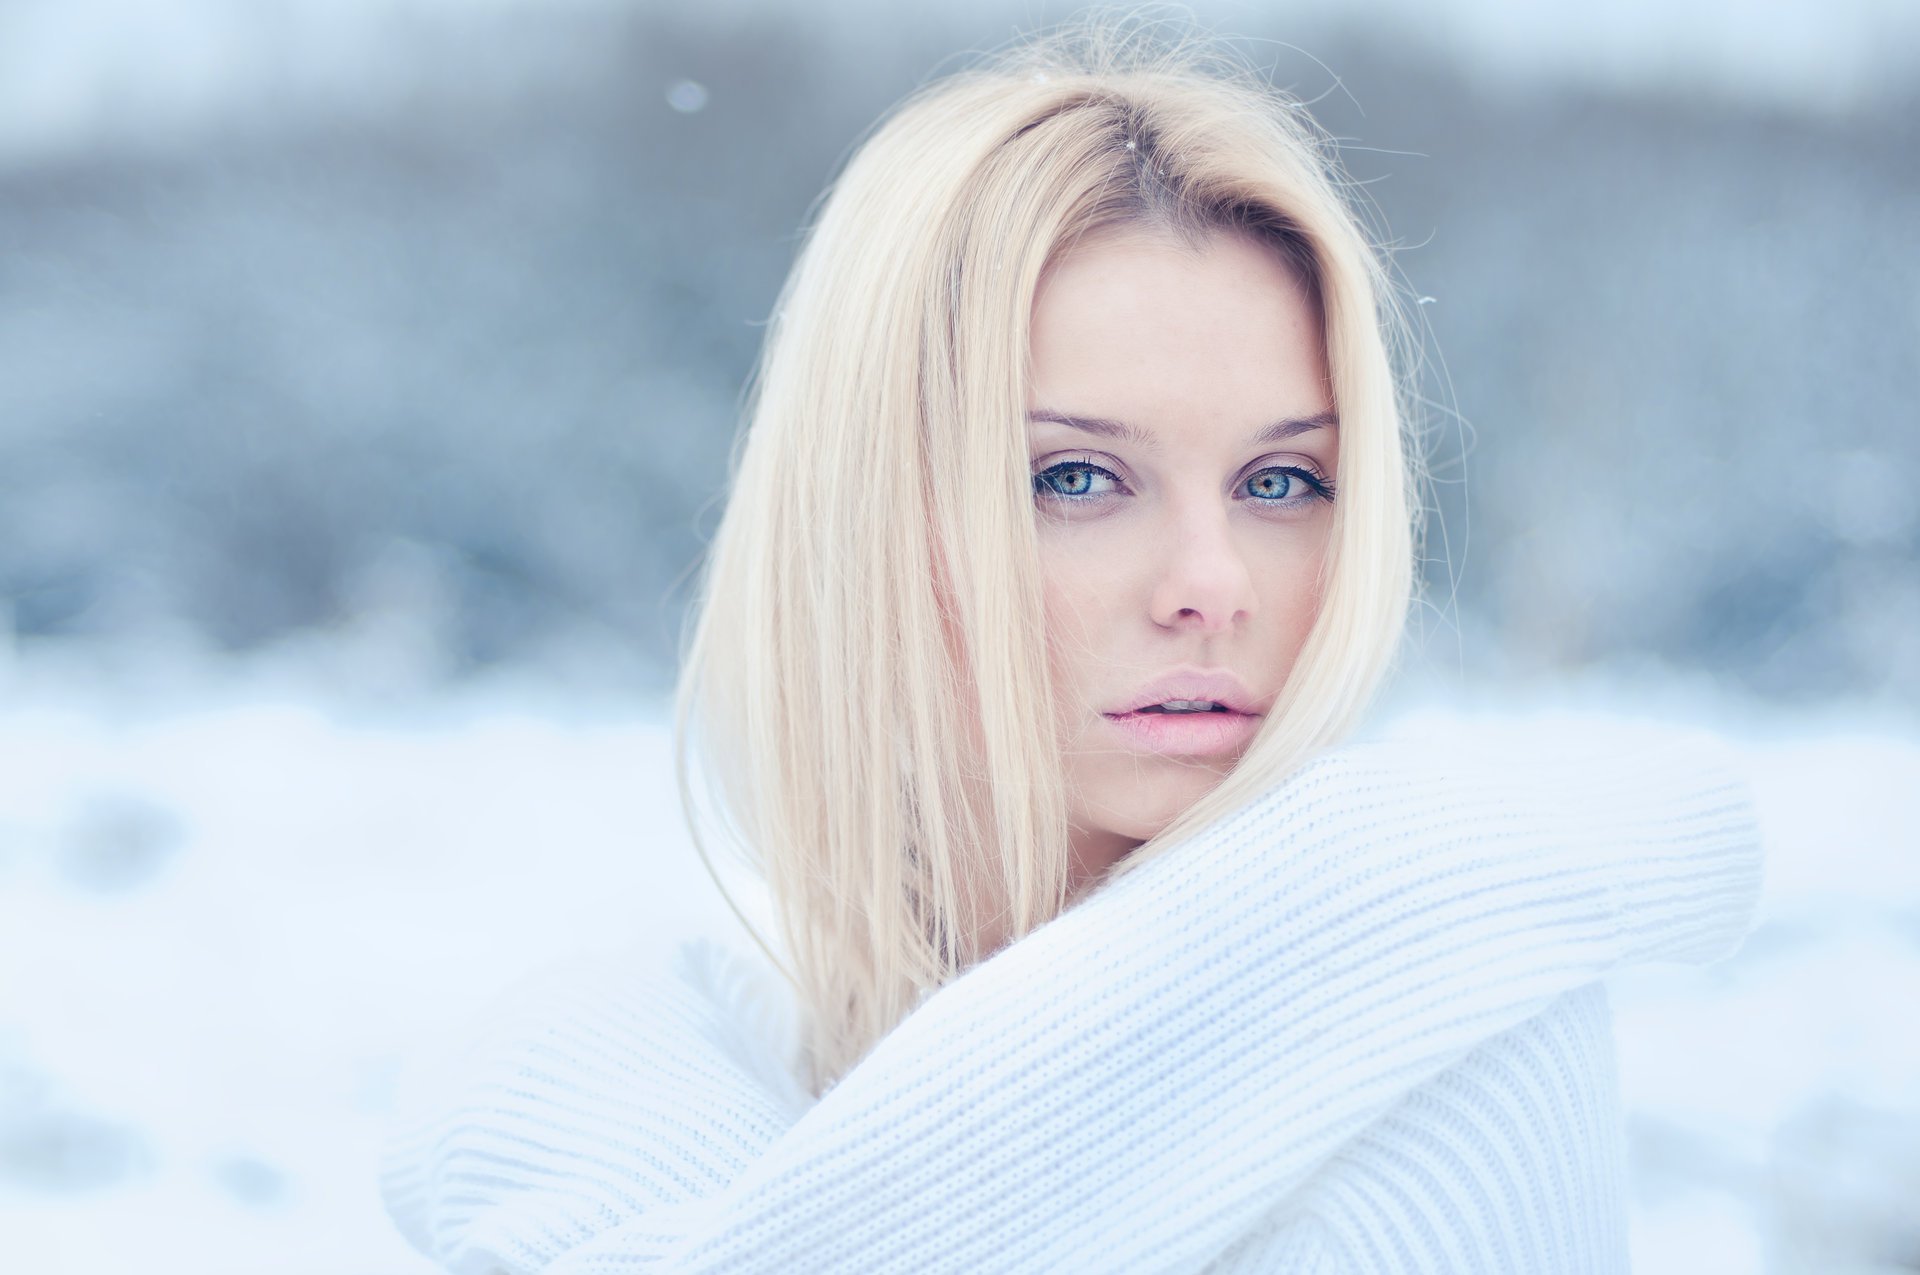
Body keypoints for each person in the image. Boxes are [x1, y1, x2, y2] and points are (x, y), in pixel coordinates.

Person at [380, 19, 1763, 1273]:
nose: (1211, 587)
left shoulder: (1455, 1049)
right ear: (867, 518)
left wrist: (1394, 900)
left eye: (1281, 483)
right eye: (1078, 481)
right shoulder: (604, 1098)